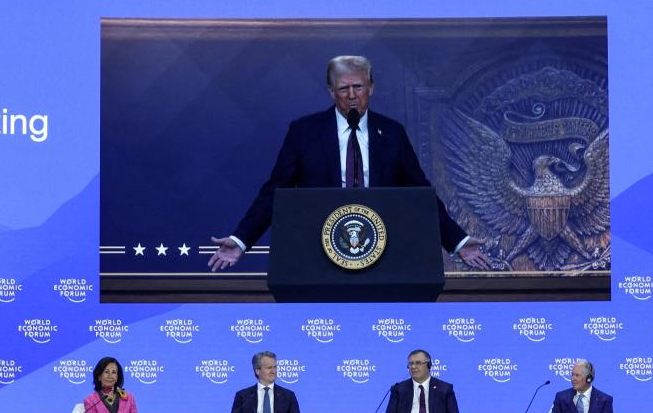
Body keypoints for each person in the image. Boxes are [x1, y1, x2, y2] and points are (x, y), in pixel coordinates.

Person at [208, 55, 489, 272]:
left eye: (359, 87)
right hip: (319, 251)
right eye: (344, 88)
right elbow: (274, 191)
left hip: (382, 251)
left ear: (371, 88)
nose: (352, 95)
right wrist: (241, 240)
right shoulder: (304, 132)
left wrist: (458, 242)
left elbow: (422, 194)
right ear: (331, 91)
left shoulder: (391, 132)